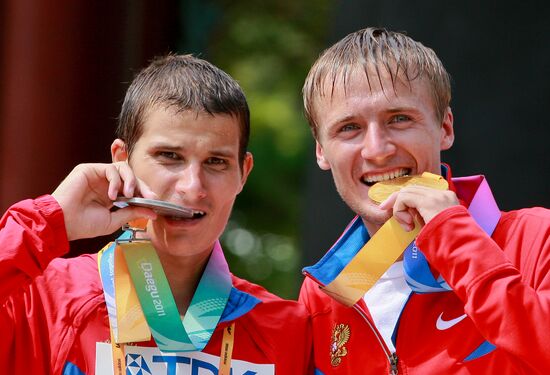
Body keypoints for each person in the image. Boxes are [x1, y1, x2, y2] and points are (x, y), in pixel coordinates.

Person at [0, 54, 312, 374]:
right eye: (169, 156)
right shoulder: (45, 300)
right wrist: (49, 221)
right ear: (122, 159)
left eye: (216, 162)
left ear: (243, 173)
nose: (192, 187)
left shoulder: (287, 331)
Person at [298, 27, 550, 374]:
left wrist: (455, 238)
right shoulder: (325, 295)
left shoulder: (537, 237)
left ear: (445, 127)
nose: (378, 150)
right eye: (349, 128)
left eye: (399, 119)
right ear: (322, 151)